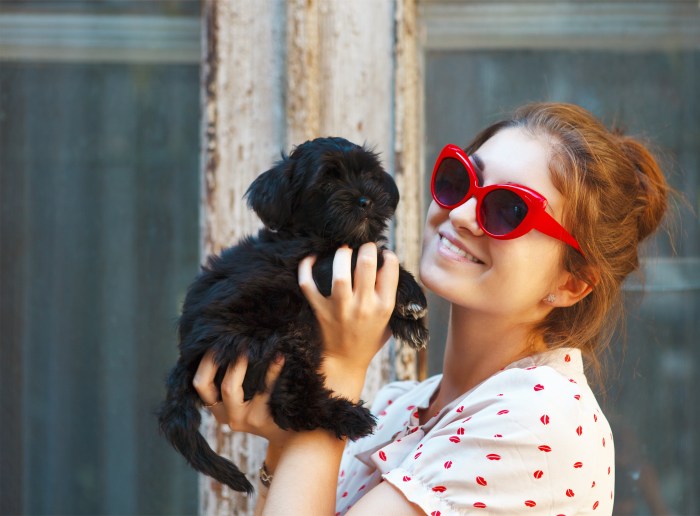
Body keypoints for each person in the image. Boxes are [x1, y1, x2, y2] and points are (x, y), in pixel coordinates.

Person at [193, 102, 669, 514]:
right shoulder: (400, 407)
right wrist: (285, 439)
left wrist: (331, 379)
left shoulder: (537, 424)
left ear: (571, 283)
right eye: (459, 178)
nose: (460, 213)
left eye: (506, 209)